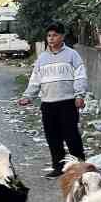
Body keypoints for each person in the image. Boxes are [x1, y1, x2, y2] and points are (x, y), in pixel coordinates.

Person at [19, 22, 87, 177]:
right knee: (52, 137)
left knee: (71, 136)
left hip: (67, 103)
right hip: (48, 104)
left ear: (62, 36)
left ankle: (80, 166)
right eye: (49, 35)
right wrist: (28, 96)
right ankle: (59, 167)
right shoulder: (42, 58)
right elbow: (35, 80)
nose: (51, 38)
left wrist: (79, 95)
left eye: (55, 35)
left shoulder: (72, 55)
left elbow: (80, 76)